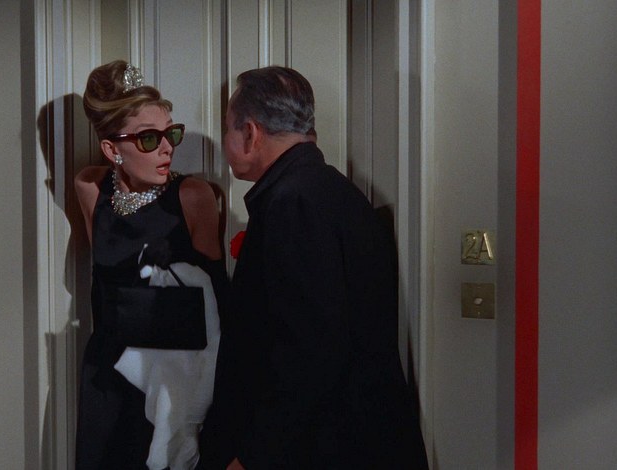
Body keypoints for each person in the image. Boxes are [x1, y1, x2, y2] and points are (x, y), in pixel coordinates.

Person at [198, 66, 428, 469]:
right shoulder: (330, 190)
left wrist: (252, 456)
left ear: (250, 134)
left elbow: (307, 352)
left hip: (320, 447)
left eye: (227, 129)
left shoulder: (294, 204)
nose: (226, 142)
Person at [73, 60, 227, 470]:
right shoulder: (89, 188)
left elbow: (218, 309)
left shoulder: (193, 197)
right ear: (112, 150)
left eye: (170, 134)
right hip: (107, 380)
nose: (166, 148)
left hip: (172, 388)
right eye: (148, 139)